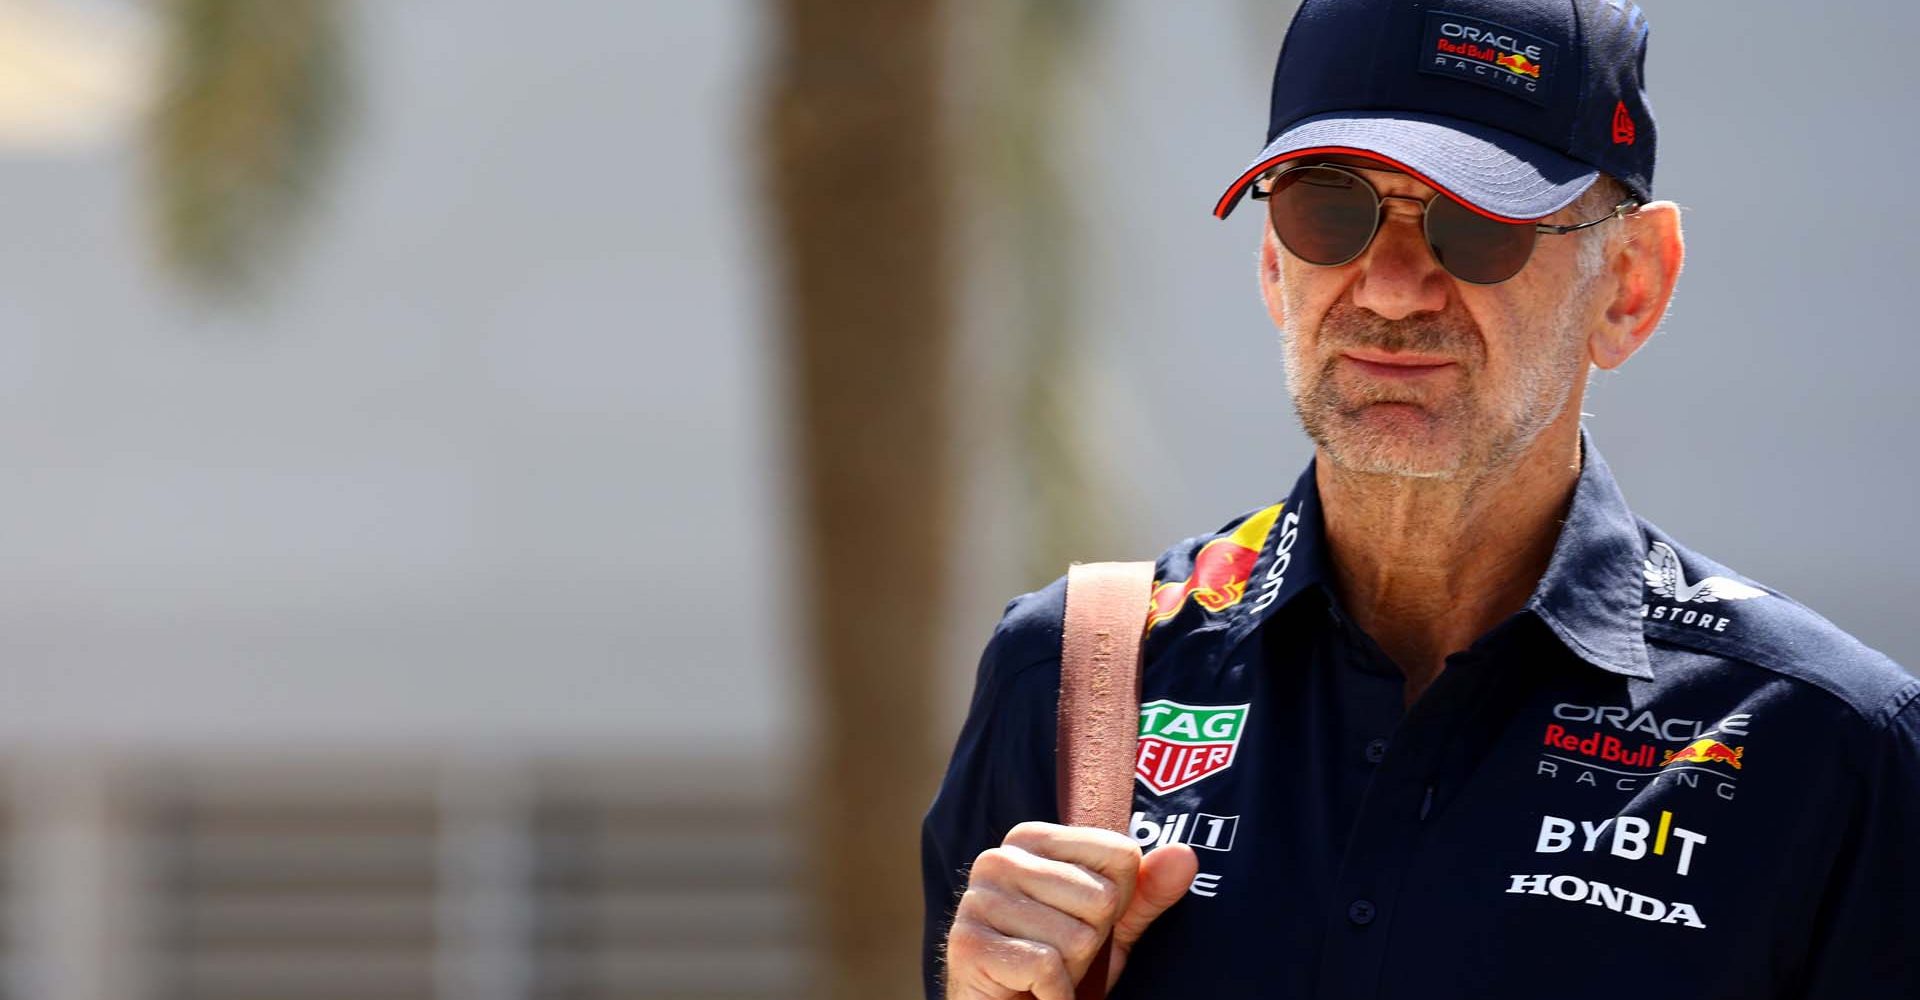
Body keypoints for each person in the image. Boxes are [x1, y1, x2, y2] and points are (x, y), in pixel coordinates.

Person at [920, 0, 1920, 997]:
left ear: (1631, 285)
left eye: (1478, 224)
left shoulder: (1827, 746)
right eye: (1328, 209)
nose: (1393, 289)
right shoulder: (1074, 674)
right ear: (1275, 264)